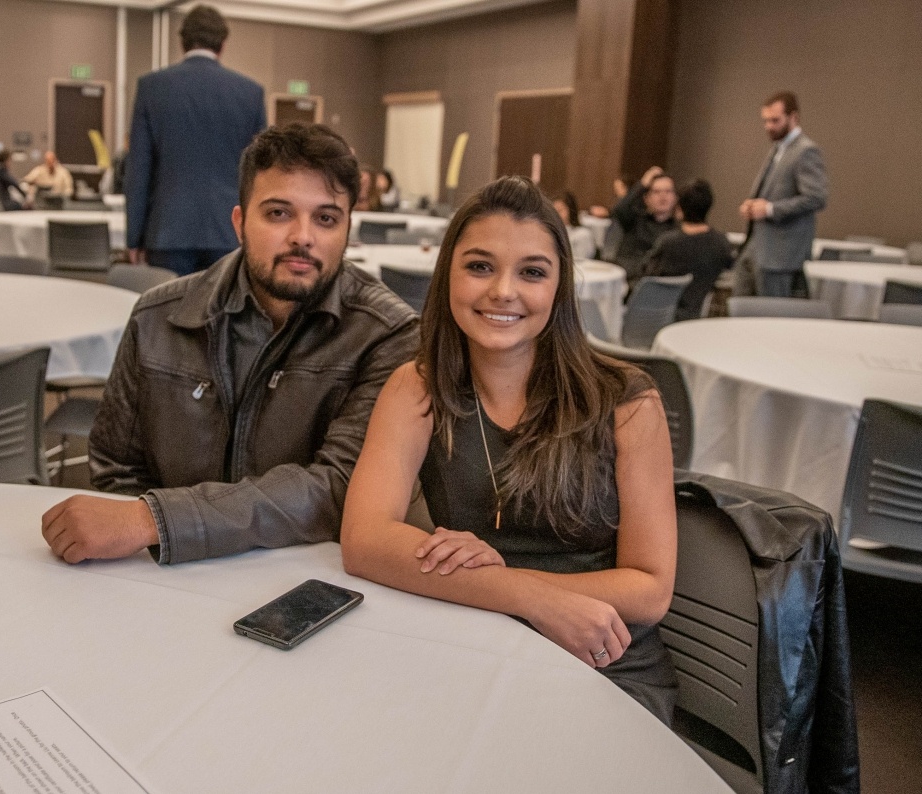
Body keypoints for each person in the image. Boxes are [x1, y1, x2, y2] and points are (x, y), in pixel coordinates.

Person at [341, 176, 678, 723]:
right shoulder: (418, 386)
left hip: (599, 655)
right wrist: (526, 597)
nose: (503, 291)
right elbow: (363, 540)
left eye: (532, 272)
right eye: (479, 266)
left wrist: (512, 588)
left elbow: (648, 589)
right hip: (473, 636)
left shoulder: (626, 400)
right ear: (447, 274)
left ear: (559, 287)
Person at [42, 123, 419, 565]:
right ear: (240, 223)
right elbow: (115, 465)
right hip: (169, 572)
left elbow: (338, 487)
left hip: (304, 574)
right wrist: (150, 543)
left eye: (326, 218)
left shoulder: (386, 334)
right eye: (279, 213)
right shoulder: (159, 316)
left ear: (347, 228)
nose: (303, 236)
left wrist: (154, 521)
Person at [125, 4, 267, 277]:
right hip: (229, 231)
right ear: (223, 44)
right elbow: (261, 170)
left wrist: (134, 237)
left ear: (182, 42)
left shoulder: (151, 88)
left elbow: (138, 169)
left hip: (167, 230)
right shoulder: (250, 93)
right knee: (225, 317)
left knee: (169, 313)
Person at [735, 91, 828, 297]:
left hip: (780, 255)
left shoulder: (806, 151)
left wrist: (769, 209)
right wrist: (753, 205)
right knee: (739, 314)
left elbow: (816, 198)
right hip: (755, 246)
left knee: (769, 319)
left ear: (793, 117)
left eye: (775, 120)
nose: (769, 126)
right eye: (766, 121)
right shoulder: (778, 149)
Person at [642, 179, 733, 321]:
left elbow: (646, 275)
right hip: (697, 318)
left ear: (679, 208)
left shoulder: (668, 243)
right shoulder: (721, 243)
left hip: (659, 316)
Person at [609, 166, 678, 280]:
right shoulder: (635, 219)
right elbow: (619, 210)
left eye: (668, 191)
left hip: (654, 285)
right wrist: (642, 184)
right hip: (626, 280)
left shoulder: (677, 231)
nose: (663, 196)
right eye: (656, 192)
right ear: (646, 198)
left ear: (675, 197)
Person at [552, 190, 595, 260]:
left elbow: (582, 261)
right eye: (554, 211)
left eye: (560, 210)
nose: (556, 215)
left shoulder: (582, 234)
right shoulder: (549, 232)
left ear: (571, 210)